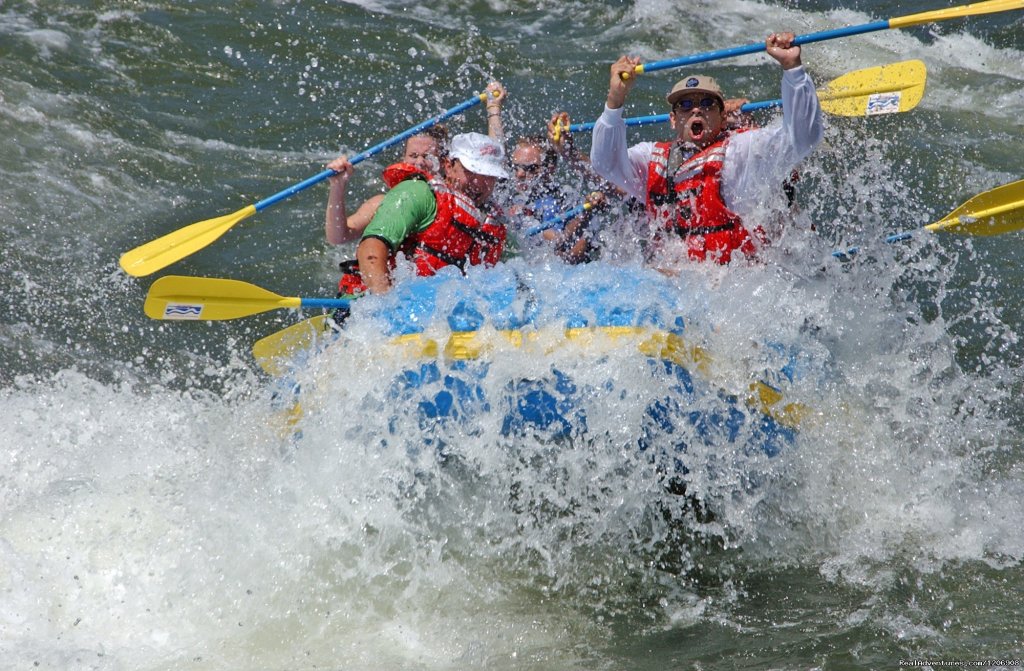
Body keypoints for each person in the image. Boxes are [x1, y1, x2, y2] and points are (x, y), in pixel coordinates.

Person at [590, 32, 824, 265]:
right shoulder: (652, 158)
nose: (696, 110)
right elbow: (604, 163)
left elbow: (801, 139)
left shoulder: (741, 151)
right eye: (685, 105)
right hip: (673, 288)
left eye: (707, 104)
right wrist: (615, 99)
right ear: (673, 119)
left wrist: (792, 68)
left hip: (733, 284)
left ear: (722, 118)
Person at [324, 82, 507, 245]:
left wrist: (493, 108)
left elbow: (490, 157)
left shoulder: (463, 190)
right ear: (403, 160)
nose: (419, 162)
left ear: (445, 164)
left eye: (428, 156)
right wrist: (338, 185)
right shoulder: (388, 202)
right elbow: (339, 237)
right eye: (413, 155)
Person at [349, 131, 510, 295]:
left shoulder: (494, 223)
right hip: (371, 302)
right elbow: (371, 248)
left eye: (488, 175)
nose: (479, 183)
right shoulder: (418, 193)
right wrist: (385, 302)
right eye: (471, 171)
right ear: (448, 166)